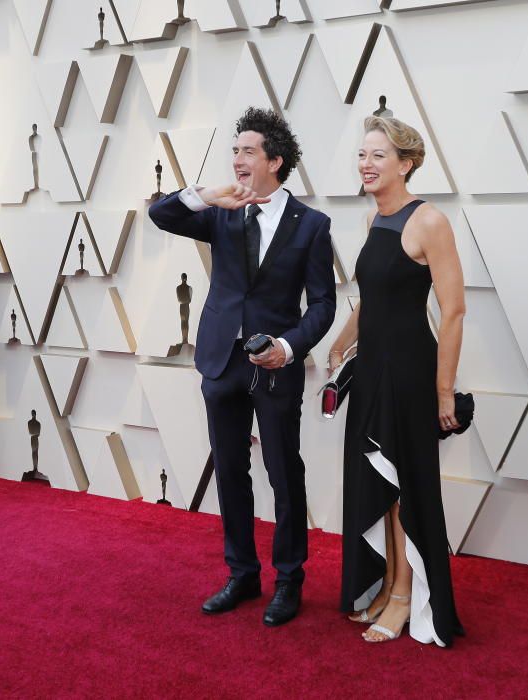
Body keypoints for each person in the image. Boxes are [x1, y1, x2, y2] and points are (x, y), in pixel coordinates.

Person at [148, 107, 335, 627]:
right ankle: (242, 574)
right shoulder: (223, 210)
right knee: (230, 470)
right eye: (235, 151)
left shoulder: (312, 225)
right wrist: (206, 195)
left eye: (247, 151)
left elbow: (322, 305)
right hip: (221, 361)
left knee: (283, 472)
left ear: (275, 160)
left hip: (275, 366)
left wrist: (290, 346)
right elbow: (161, 215)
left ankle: (289, 580)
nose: (237, 160)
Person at [328, 116, 465, 645]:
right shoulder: (372, 222)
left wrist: (444, 390)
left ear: (406, 163)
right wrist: (344, 340)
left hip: (410, 372)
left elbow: (453, 311)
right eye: (362, 154)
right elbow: (373, 296)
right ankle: (389, 583)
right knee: (380, 485)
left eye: (378, 155)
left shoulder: (429, 221)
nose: (366, 163)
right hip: (371, 370)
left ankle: (409, 598)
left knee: (405, 486)